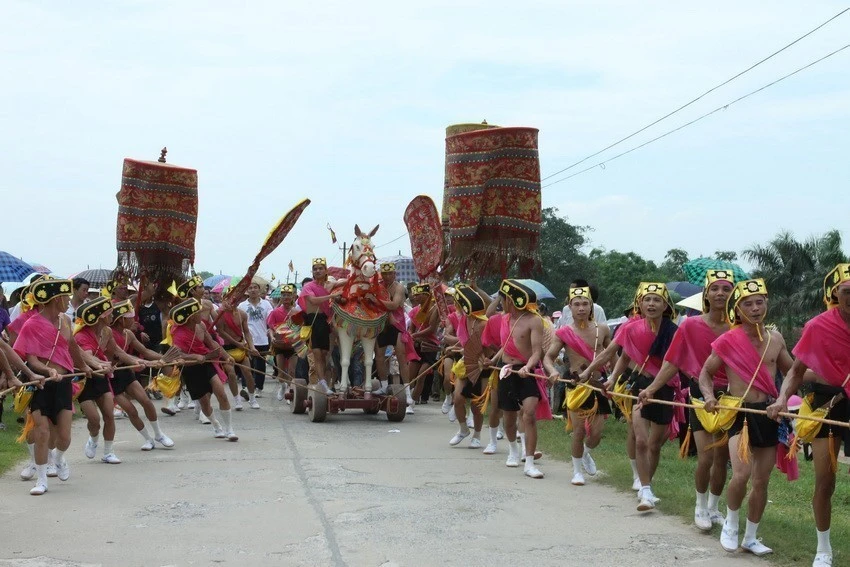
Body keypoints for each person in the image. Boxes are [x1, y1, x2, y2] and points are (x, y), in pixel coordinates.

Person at [699, 278, 793, 556]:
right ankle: (730, 524)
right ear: (737, 311)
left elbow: (791, 373)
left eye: (759, 302)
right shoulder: (728, 340)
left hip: (769, 414)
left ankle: (751, 536)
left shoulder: (775, 339)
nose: (754, 308)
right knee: (741, 474)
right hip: (739, 413)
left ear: (766, 304)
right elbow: (705, 373)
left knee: (762, 480)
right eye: (747, 304)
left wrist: (783, 398)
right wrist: (708, 396)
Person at [767, 264, 850, 567]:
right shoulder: (818, 326)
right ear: (834, 294)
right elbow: (796, 372)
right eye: (847, 291)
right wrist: (779, 399)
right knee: (826, 480)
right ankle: (823, 549)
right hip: (827, 403)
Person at [638, 270, 734, 529]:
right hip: (700, 393)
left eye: (726, 289)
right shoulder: (691, 325)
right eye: (715, 288)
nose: (720, 293)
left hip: (732, 397)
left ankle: (714, 507)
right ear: (706, 293)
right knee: (706, 456)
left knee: (722, 457)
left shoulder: (738, 327)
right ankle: (700, 506)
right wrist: (652, 388)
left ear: (733, 294)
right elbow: (673, 361)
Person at [580, 282, 679, 511]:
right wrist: (609, 377)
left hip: (664, 387)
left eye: (657, 300)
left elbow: (672, 364)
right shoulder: (630, 328)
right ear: (640, 304)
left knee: (655, 444)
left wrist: (654, 388)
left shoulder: (674, 332)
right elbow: (618, 355)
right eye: (647, 299)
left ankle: (647, 485)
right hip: (638, 385)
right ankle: (645, 490)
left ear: (665, 305)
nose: (652, 304)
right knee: (641, 440)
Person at [13, 277, 93, 495]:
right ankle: (41, 480)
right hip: (41, 383)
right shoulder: (31, 324)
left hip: (64, 383)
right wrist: (48, 371)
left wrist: (84, 366)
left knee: (64, 437)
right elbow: (32, 360)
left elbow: (73, 347)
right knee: (42, 432)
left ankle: (58, 458)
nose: (68, 300)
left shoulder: (65, 322)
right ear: (55, 299)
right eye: (65, 296)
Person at [544, 285, 612, 486]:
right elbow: (548, 358)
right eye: (577, 304)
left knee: (596, 435)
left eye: (585, 304)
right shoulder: (564, 332)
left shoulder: (603, 330)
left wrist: (616, 378)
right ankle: (576, 471)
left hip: (597, 384)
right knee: (579, 430)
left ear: (591, 306)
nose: (581, 308)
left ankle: (586, 454)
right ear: (570, 307)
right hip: (575, 384)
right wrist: (553, 371)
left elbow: (614, 354)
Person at [488, 279, 546, 479]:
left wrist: (528, 366)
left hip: (527, 371)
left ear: (512, 300)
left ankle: (529, 462)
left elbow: (537, 351)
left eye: (503, 300)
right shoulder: (503, 319)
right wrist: (492, 360)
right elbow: (505, 345)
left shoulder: (534, 320)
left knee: (529, 414)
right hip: (507, 370)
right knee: (509, 417)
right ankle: (513, 449)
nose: (502, 303)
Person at [74, 297, 136, 465]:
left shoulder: (107, 331)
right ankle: (93, 439)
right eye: (108, 313)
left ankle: (108, 452)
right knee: (94, 419)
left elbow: (118, 351)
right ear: (99, 317)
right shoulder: (80, 335)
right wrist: (103, 363)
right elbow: (88, 357)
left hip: (102, 377)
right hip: (86, 379)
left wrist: (138, 362)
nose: (112, 315)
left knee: (109, 415)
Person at [108, 299, 174, 451]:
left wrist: (162, 358)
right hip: (111, 376)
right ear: (121, 319)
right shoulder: (108, 333)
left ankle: (158, 434)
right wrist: (143, 362)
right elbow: (122, 354)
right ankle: (147, 438)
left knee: (146, 401)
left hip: (125, 370)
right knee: (130, 409)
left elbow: (145, 352)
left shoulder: (129, 333)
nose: (134, 320)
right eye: (131, 317)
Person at [169, 298, 238, 441]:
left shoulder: (201, 326)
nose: (202, 314)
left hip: (207, 363)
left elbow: (211, 342)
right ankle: (216, 425)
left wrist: (226, 356)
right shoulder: (178, 333)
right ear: (190, 316)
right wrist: (195, 356)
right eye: (198, 312)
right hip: (191, 369)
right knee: (205, 403)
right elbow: (177, 354)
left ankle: (229, 429)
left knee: (222, 394)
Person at [447, 284, 491, 448]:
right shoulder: (463, 320)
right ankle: (463, 429)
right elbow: (466, 341)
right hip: (465, 363)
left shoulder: (484, 323)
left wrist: (487, 359)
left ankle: (477, 435)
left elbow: (490, 346)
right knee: (457, 399)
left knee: (476, 403)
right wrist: (459, 347)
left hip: (482, 366)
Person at [372, 262, 414, 399]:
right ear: (381, 274)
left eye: (390, 273)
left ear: (394, 274)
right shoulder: (378, 287)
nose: (387, 276)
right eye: (384, 273)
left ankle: (407, 393)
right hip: (382, 325)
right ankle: (384, 387)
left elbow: (394, 305)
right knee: (379, 357)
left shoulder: (399, 287)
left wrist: (375, 301)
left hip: (397, 325)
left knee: (401, 358)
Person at [297, 259, 337, 393]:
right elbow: (313, 300)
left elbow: (344, 283)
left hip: (326, 322)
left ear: (326, 270)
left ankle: (326, 381)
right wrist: (332, 295)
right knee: (317, 353)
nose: (318, 271)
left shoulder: (329, 285)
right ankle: (322, 382)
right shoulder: (308, 286)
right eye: (315, 269)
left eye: (320, 268)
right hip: (313, 321)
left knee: (326, 353)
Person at [266, 284, 301, 401]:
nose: (286, 297)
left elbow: (301, 328)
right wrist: (272, 337)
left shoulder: (296, 312)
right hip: (279, 345)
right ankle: (282, 387)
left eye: (288, 295)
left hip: (292, 345)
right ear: (281, 297)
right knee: (281, 372)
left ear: (293, 297)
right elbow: (270, 328)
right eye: (284, 295)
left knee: (292, 371)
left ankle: (290, 393)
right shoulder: (275, 312)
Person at [408, 283, 440, 408]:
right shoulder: (415, 310)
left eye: (418, 295)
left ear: (426, 295)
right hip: (416, 345)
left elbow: (432, 329)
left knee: (421, 376)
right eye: (414, 295)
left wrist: (415, 335)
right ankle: (409, 398)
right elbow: (411, 328)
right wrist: (411, 335)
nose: (415, 297)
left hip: (429, 346)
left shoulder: (434, 309)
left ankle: (412, 404)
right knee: (411, 377)